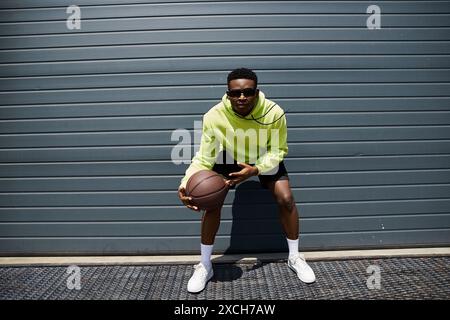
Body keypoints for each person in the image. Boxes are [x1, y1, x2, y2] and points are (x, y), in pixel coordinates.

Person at [178, 68, 316, 293]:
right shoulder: (214, 116)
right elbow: (204, 157)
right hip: (229, 157)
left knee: (286, 198)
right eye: (235, 93)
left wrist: (257, 169)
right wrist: (185, 184)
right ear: (228, 93)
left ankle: (295, 257)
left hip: (263, 158)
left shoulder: (274, 112)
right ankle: (204, 265)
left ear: (256, 92)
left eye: (247, 92)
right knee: (210, 201)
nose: (241, 97)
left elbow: (279, 150)